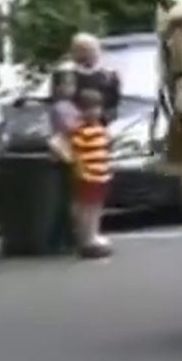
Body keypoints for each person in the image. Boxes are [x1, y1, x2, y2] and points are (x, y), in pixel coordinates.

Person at [70, 89, 112, 259]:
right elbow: (76, 154)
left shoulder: (101, 129)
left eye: (96, 108)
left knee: (96, 208)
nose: (93, 112)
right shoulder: (81, 130)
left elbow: (105, 150)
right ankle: (87, 239)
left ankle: (93, 235)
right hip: (88, 176)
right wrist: (81, 171)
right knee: (86, 209)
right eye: (87, 108)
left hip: (101, 175)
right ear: (80, 111)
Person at [47, 71, 79, 253]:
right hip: (64, 154)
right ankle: (63, 237)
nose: (70, 89)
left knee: (69, 197)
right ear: (57, 87)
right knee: (67, 198)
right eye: (66, 85)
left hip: (71, 153)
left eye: (72, 84)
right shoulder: (60, 107)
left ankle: (64, 236)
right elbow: (69, 128)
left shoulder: (70, 106)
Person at [57, 33, 121, 124]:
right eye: (82, 50)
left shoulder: (108, 76)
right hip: (71, 126)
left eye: (91, 50)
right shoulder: (65, 73)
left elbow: (113, 106)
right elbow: (60, 104)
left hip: (100, 126)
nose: (87, 55)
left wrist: (99, 119)